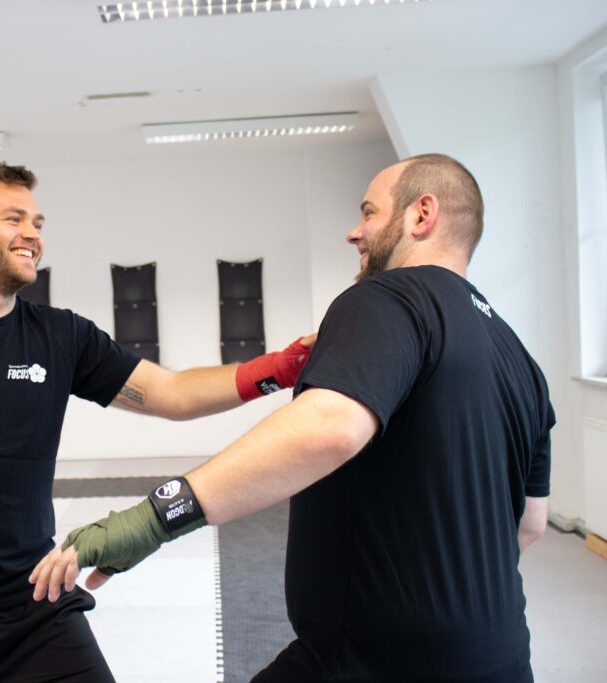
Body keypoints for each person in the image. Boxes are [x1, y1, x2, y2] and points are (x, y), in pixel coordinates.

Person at [31, 154, 555, 683]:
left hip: (374, 660)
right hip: (501, 654)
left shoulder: (386, 299)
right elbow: (531, 524)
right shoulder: (521, 361)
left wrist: (151, 520)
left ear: (422, 215)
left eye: (369, 213)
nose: (355, 232)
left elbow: (330, 427)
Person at [0, 162, 315, 682]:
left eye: (38, 223)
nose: (32, 235)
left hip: (32, 604)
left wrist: (271, 372)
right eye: (14, 219)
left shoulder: (61, 336)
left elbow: (169, 392)